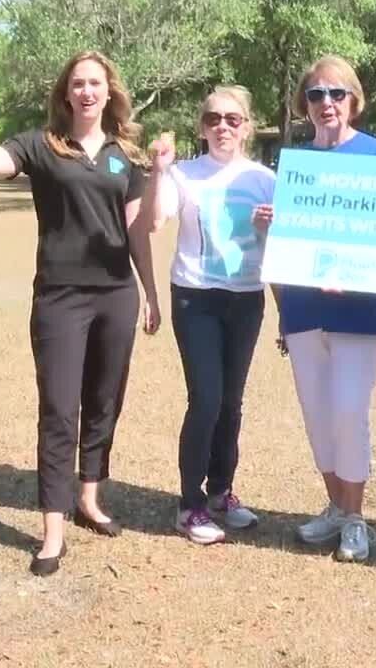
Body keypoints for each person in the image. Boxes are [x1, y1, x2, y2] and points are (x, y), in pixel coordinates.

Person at [0, 51, 161, 577]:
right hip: (61, 299)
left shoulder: (124, 155)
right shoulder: (41, 145)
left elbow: (137, 231)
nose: (87, 91)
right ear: (65, 94)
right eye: (78, 84)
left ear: (109, 91)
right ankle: (52, 530)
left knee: (104, 400)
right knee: (59, 409)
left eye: (96, 83)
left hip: (117, 295)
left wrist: (152, 294)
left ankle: (89, 497)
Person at [252, 55, 376, 563]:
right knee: (316, 415)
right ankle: (335, 505)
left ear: (354, 100)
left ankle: (356, 519)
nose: (326, 103)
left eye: (336, 94)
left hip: (359, 311)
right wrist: (272, 226)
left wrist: (363, 276)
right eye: (316, 95)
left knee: (349, 410)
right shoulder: (294, 166)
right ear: (304, 104)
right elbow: (285, 247)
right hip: (304, 306)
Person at [145, 86, 275, 545]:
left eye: (233, 119)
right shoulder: (183, 175)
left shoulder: (264, 179)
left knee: (232, 403)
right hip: (195, 297)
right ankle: (189, 504)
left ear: (247, 127)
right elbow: (157, 220)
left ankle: (220, 492)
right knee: (206, 400)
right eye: (214, 119)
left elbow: (283, 247)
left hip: (245, 298)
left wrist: (271, 227)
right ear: (202, 127)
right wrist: (159, 170)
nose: (223, 126)